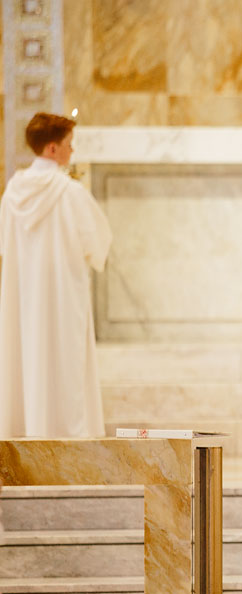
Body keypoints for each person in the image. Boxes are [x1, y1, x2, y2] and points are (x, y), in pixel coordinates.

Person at [0, 112, 112, 438]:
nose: (71, 151)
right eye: (68, 144)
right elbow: (98, 242)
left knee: (26, 361)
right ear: (52, 148)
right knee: (65, 367)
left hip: (23, 299)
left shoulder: (11, 195)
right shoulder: (70, 193)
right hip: (63, 298)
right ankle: (72, 445)